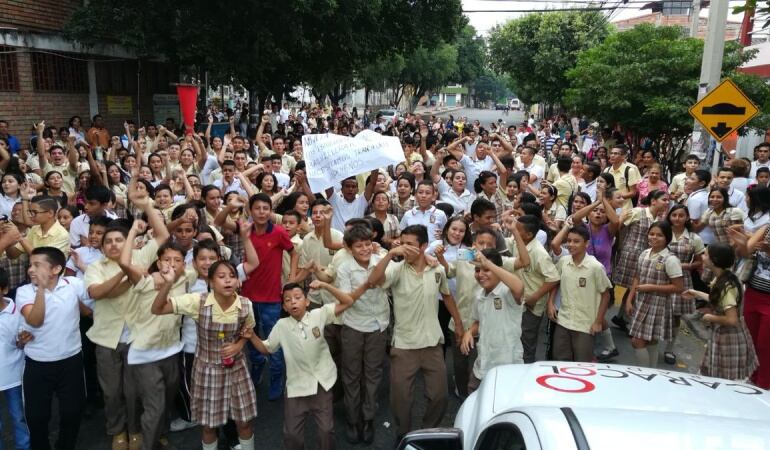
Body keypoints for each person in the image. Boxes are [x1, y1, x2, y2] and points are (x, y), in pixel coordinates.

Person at [367, 225, 464, 442]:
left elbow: (447, 296)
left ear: (423, 247)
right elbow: (373, 281)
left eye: (410, 244)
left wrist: (458, 323)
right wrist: (390, 254)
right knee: (401, 399)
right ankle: (403, 435)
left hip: (432, 343)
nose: (405, 248)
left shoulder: (437, 270)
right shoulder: (396, 269)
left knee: (439, 396)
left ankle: (426, 434)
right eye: (402, 243)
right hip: (404, 345)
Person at [241, 281, 363, 450]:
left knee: (326, 431)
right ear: (284, 307)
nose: (293, 302)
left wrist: (325, 286)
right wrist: (252, 336)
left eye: (297, 297)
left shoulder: (319, 314)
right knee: (292, 435)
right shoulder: (282, 326)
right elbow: (267, 348)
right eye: (288, 300)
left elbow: (348, 301)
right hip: (296, 386)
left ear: (306, 301)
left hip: (322, 382)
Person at [152, 260, 258, 450]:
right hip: (207, 370)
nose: (228, 281)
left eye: (232, 276)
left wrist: (238, 345)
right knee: (209, 427)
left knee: (244, 422)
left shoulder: (245, 304)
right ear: (210, 281)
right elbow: (157, 309)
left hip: (237, 369)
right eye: (221, 276)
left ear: (238, 282)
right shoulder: (196, 301)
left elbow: (248, 329)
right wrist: (168, 283)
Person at [16, 247, 88, 450]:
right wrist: (40, 289)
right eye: (30, 265)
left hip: (70, 360)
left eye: (37, 265)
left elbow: (93, 304)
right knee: (37, 417)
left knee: (72, 412)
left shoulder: (73, 284)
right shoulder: (24, 291)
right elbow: (35, 320)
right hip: (37, 364)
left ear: (56, 269)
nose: (31, 269)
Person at [335, 225, 389, 444]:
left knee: (373, 373)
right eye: (359, 246)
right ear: (349, 248)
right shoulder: (344, 268)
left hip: (378, 325)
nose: (365, 249)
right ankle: (352, 418)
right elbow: (347, 300)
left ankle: (367, 419)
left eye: (368, 243)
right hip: (354, 326)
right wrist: (368, 284)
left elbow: (396, 268)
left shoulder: (381, 259)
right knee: (351, 374)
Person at [241, 193, 297, 401]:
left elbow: (294, 252)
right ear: (251, 210)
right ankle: (257, 364)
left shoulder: (279, 232)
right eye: (257, 208)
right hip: (247, 296)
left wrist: (290, 279)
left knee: (274, 342)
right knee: (249, 336)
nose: (262, 212)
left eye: (266, 208)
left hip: (272, 298)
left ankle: (276, 377)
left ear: (270, 211)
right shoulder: (245, 231)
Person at [685, 243, 758, 380]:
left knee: (722, 379)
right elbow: (718, 301)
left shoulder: (727, 286)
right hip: (723, 335)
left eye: (705, 254)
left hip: (728, 338)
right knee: (710, 373)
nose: (702, 256)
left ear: (714, 260)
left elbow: (731, 319)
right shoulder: (725, 277)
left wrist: (709, 317)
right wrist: (696, 293)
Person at [459, 248, 525, 393]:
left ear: (497, 269)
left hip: (507, 368)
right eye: (477, 270)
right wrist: (469, 332)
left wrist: (488, 263)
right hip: (482, 366)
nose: (480, 274)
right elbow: (478, 321)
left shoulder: (507, 292)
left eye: (486, 270)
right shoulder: (479, 295)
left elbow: (519, 287)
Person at [548, 225, 612, 362]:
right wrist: (550, 303)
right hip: (563, 321)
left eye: (576, 241)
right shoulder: (564, 262)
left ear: (586, 244)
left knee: (582, 363)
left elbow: (606, 295)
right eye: (569, 241)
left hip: (585, 325)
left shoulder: (595, 267)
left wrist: (598, 322)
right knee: (560, 359)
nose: (571, 244)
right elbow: (555, 282)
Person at [626, 221, 684, 367]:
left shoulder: (670, 259)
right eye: (652, 234)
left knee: (637, 341)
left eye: (659, 235)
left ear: (667, 238)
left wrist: (652, 287)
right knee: (650, 341)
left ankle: (645, 372)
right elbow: (637, 277)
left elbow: (678, 287)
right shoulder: (644, 253)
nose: (654, 237)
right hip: (642, 302)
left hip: (658, 305)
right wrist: (629, 299)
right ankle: (653, 371)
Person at [512, 215, 560, 363]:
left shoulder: (539, 253)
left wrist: (534, 297)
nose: (514, 232)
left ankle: (526, 373)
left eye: (517, 230)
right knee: (516, 339)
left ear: (529, 235)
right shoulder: (517, 243)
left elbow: (553, 278)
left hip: (531, 306)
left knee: (527, 343)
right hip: (518, 301)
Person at [0, 267, 30, 450]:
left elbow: (21, 342)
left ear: (4, 289)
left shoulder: (17, 311)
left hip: (13, 376)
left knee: (19, 417)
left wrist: (22, 342)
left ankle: (24, 447)